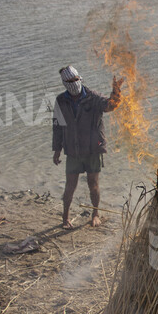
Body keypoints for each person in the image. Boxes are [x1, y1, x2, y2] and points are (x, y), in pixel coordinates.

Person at [52, 66, 124, 229]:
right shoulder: (61, 101)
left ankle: (95, 214)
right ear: (64, 83)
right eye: (69, 81)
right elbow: (57, 126)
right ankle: (65, 218)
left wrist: (116, 90)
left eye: (75, 79)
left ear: (80, 78)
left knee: (93, 184)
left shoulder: (93, 98)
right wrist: (57, 150)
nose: (74, 83)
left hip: (93, 149)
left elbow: (110, 106)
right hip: (73, 150)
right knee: (70, 186)